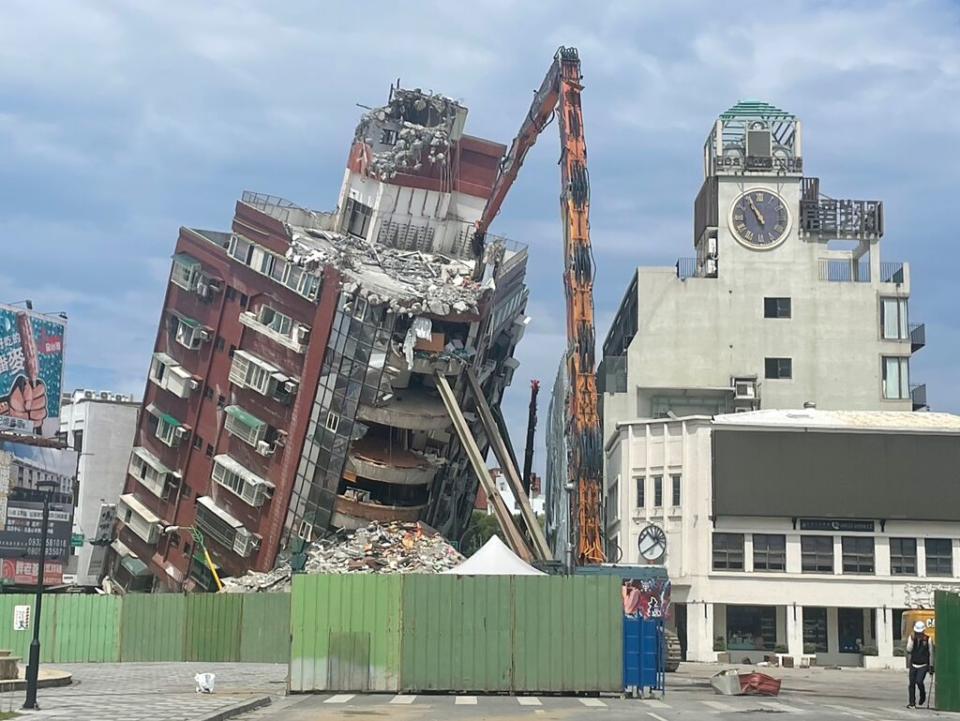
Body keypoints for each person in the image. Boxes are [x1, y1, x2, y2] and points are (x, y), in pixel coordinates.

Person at [906, 620, 934, 708]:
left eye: (919, 632)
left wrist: (931, 666)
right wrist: (911, 640)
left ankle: (922, 695)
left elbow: (931, 653)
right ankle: (912, 703)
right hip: (913, 663)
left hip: (923, 664)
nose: (918, 634)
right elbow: (909, 649)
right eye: (916, 632)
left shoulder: (928, 639)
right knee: (911, 684)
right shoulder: (912, 638)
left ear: (923, 631)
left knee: (919, 681)